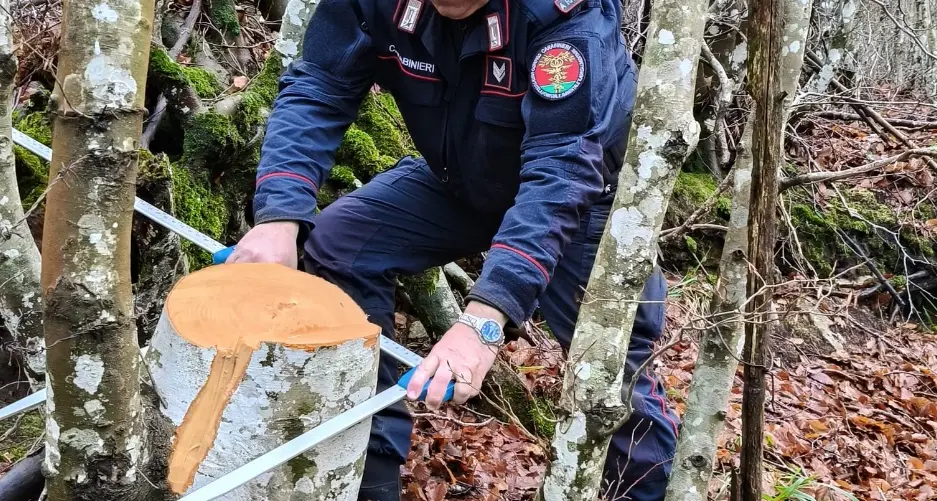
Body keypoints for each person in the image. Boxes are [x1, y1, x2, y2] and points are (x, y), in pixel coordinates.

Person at [225, 0, 679, 499]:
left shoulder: (564, 18)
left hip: (582, 200)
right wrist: (278, 217)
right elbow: (319, 88)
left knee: (611, 370)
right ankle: (371, 478)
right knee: (340, 247)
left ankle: (645, 491)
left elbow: (561, 170)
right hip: (459, 180)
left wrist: (486, 318)